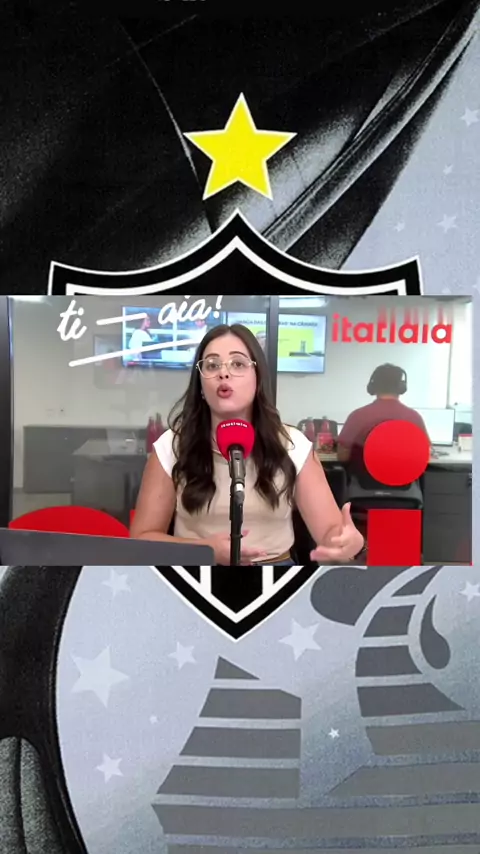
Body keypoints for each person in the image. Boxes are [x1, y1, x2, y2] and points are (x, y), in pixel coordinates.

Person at [131, 323, 364, 565]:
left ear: (258, 378)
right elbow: (142, 539)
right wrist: (205, 550)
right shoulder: (172, 445)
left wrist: (347, 542)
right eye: (212, 365)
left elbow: (331, 533)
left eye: (238, 364)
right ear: (200, 383)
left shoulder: (292, 444)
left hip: (276, 573)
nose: (224, 373)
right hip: (194, 573)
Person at [337, 363, 430, 465]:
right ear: (401, 387)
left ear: (373, 386)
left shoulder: (357, 416)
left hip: (362, 475)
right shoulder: (413, 417)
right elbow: (424, 454)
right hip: (403, 475)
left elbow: (342, 456)